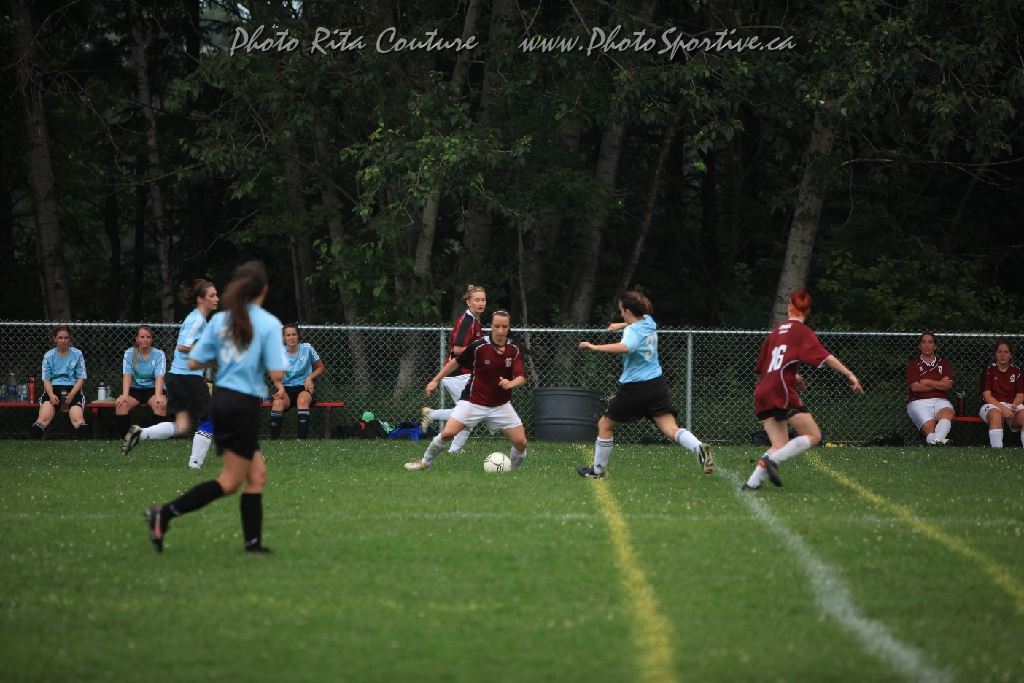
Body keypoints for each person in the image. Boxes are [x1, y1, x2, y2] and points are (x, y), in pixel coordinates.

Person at [144, 261, 286, 554]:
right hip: (242, 405)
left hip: (224, 401)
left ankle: (253, 545)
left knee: (256, 476)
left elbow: (195, 360)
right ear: (264, 289)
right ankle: (164, 513)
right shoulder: (269, 324)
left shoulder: (221, 320)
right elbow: (278, 372)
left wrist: (226, 356)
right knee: (230, 481)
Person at [575, 292, 713, 479]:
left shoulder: (632, 332)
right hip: (656, 384)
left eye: (621, 311)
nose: (621, 314)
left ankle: (597, 472)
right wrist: (620, 325)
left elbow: (625, 347)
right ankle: (699, 448)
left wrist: (594, 347)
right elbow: (635, 325)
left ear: (628, 311)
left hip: (635, 387)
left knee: (605, 425)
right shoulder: (648, 321)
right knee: (670, 429)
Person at [743, 288, 863, 490]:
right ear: (807, 311)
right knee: (813, 435)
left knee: (779, 444)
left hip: (763, 389)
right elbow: (826, 357)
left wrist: (793, 374)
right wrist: (849, 373)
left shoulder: (776, 332)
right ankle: (773, 461)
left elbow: (765, 365)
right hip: (780, 389)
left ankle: (751, 484)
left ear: (789, 306)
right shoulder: (801, 331)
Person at [405, 310, 528, 471]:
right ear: (491, 326)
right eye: (497, 326)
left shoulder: (513, 349)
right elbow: (455, 362)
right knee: (448, 433)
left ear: (509, 327)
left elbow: (521, 377)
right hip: (473, 402)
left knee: (521, 443)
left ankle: (514, 472)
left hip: (500, 405)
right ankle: (424, 463)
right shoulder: (479, 347)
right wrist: (435, 380)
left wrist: (511, 383)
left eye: (504, 327)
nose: (500, 331)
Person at [121, 279, 219, 468]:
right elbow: (182, 346)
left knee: (182, 426)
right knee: (209, 418)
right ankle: (194, 465)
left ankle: (142, 433)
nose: (217, 299)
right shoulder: (197, 319)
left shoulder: (199, 319)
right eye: (212, 295)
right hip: (187, 378)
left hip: (178, 377)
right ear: (201, 299)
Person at [419, 284, 486, 452]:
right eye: (477, 300)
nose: (481, 303)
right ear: (468, 302)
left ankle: (454, 448)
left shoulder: (475, 320)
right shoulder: (467, 322)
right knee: (470, 413)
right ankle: (435, 419)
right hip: (458, 373)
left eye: (483, 300)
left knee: (469, 414)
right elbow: (458, 350)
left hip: (465, 373)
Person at [28, 325, 89, 440]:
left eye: (66, 338)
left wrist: (72, 394)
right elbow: (46, 379)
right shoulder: (48, 356)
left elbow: (81, 378)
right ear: (55, 338)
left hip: (72, 388)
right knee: (43, 418)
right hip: (54, 389)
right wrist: (51, 395)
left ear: (70, 338)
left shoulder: (77, 354)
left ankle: (87, 445)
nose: (63, 341)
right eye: (60, 338)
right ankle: (32, 444)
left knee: (78, 419)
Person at [269, 324, 325, 439]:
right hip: (286, 388)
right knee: (278, 402)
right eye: (288, 335)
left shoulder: (307, 348)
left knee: (302, 401)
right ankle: (274, 441)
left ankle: (301, 441)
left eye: (294, 334)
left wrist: (309, 378)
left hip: (304, 387)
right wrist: (281, 389)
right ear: (284, 338)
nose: (291, 337)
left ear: (298, 336)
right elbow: (276, 377)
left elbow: (321, 367)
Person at [114, 325, 167, 438]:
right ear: (137, 339)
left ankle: (155, 440)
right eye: (142, 337)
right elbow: (127, 375)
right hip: (135, 389)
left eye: (148, 337)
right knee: (121, 405)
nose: (145, 339)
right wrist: (124, 395)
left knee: (160, 405)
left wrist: (159, 395)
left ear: (152, 339)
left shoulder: (159, 354)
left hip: (153, 389)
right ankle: (127, 439)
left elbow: (159, 376)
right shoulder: (129, 353)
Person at [906, 332, 955, 446]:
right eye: (924, 342)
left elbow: (948, 385)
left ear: (935, 346)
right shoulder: (914, 363)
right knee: (930, 426)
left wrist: (927, 381)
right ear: (919, 346)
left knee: (947, 413)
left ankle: (936, 442)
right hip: (918, 401)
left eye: (930, 342)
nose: (927, 345)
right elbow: (915, 387)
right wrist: (939, 383)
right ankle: (938, 442)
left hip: (940, 400)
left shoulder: (943, 363)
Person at [979, 339, 1024, 448]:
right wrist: (1003, 409)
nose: (1002, 355)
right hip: (992, 405)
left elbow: (1020, 394)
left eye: (1006, 352)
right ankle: (997, 451)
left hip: (1011, 405)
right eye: (999, 352)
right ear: (995, 354)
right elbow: (987, 396)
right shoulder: (988, 371)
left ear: (1011, 355)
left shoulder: (1017, 372)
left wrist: (1014, 405)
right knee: (996, 415)